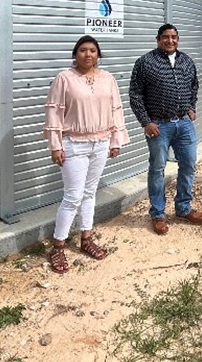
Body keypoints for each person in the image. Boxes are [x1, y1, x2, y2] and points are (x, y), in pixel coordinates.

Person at [42, 35, 129, 274]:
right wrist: (56, 146)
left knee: (90, 193)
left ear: (98, 54)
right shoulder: (65, 78)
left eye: (92, 50)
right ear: (75, 54)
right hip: (73, 145)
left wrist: (115, 139)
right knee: (72, 197)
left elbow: (116, 110)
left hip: (100, 143)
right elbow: (54, 112)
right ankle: (58, 246)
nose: (87, 54)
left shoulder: (108, 78)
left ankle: (86, 238)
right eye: (82, 50)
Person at [129, 23, 202, 235]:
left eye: (173, 37)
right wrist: (146, 122)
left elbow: (194, 86)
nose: (170, 41)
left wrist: (191, 106)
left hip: (183, 123)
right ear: (158, 39)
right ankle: (158, 214)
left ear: (178, 39)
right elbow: (135, 94)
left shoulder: (186, 61)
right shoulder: (145, 63)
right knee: (157, 168)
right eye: (165, 37)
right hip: (158, 125)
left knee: (189, 164)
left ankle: (183, 208)